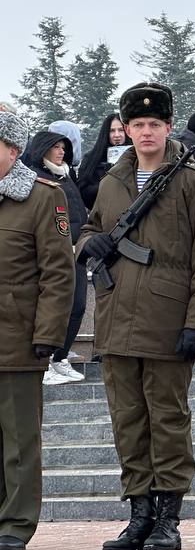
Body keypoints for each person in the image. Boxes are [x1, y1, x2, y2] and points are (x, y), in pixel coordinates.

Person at [77, 82, 195, 550]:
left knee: (167, 419)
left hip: (168, 319)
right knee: (128, 420)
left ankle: (168, 516)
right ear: (126, 128)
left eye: (154, 125)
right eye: (137, 125)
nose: (146, 132)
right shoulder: (111, 182)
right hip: (117, 317)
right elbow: (88, 229)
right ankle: (138, 512)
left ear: (168, 127)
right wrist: (89, 244)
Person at [0, 109, 75, 550]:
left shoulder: (43, 197)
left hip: (17, 337)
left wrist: (48, 334)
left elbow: (58, 274)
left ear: (11, 150)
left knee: (18, 437)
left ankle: (16, 520)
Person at [21, 131, 88, 385]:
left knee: (78, 307)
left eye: (64, 147)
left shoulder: (67, 177)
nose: (61, 152)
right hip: (52, 254)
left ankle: (61, 358)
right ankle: (45, 363)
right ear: (42, 150)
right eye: (56, 147)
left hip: (76, 252)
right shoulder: (36, 179)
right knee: (52, 308)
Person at [77, 113, 130, 211]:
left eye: (121, 130)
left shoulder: (137, 155)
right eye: (112, 131)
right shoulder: (91, 158)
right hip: (102, 213)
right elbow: (83, 191)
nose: (117, 135)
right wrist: (106, 180)